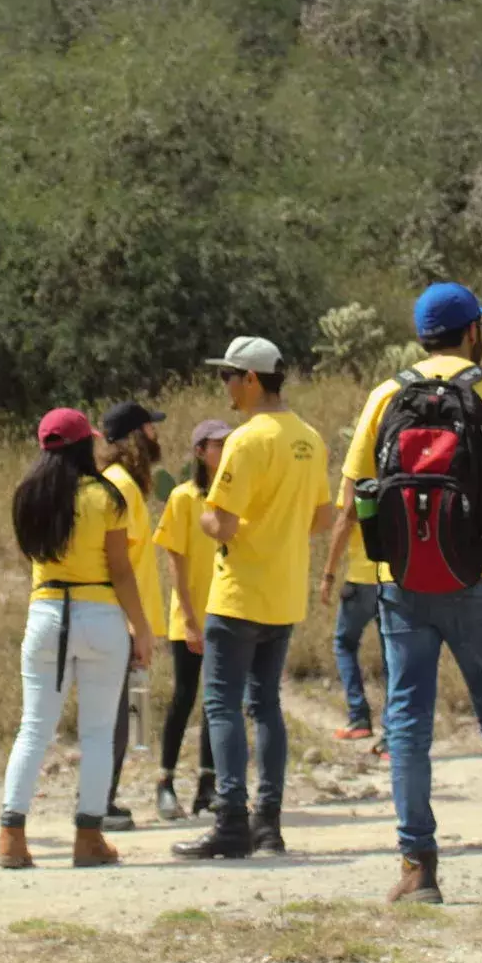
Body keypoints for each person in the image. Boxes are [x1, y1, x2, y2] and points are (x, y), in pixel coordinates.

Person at [327, 282, 482, 907]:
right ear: (473, 331)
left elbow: (352, 496)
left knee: (407, 722)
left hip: (402, 584)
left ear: (420, 334)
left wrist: (399, 544)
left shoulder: (385, 394)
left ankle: (418, 869)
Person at [172, 337, 332, 860]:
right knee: (266, 705)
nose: (225, 386)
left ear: (252, 379)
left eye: (229, 376)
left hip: (239, 593)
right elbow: (321, 518)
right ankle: (270, 822)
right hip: (285, 593)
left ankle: (231, 820)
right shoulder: (309, 438)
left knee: (221, 704)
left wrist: (204, 518)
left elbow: (223, 522)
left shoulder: (246, 440)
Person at [0, 409, 155, 870]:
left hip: (46, 612)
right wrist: (141, 629)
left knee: (34, 728)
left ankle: (12, 836)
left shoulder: (28, 496)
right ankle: (89, 837)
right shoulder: (103, 496)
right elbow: (121, 571)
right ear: (84, 444)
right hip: (100, 615)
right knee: (98, 732)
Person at [152, 419, 234, 820]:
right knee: (184, 697)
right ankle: (164, 781)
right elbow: (175, 565)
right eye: (220, 444)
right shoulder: (183, 499)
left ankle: (208, 784)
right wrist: (188, 619)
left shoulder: (234, 497)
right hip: (190, 615)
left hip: (227, 612)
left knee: (216, 703)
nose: (227, 450)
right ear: (200, 451)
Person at [95, 401, 169, 831]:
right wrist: (137, 627)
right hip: (120, 622)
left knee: (126, 715)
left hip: (127, 622)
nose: (157, 436)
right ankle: (99, 802)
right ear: (135, 437)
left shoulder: (125, 485)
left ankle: (104, 798)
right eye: (150, 429)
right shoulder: (119, 487)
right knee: (117, 716)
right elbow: (116, 565)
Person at [318, 469, 386, 742]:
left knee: (344, 643)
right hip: (395, 579)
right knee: (393, 654)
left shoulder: (358, 475)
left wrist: (328, 574)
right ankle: (394, 733)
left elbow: (345, 521)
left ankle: (359, 717)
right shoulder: (400, 470)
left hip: (362, 578)